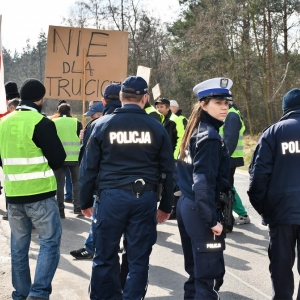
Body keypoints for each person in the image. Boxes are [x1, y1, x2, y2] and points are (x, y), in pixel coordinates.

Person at [79, 76, 174, 299]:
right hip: (145, 198)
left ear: (121, 97)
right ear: (145, 98)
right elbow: (169, 171)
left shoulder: (102, 125)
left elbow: (88, 168)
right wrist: (166, 205)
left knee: (105, 256)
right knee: (138, 259)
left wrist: (84, 201)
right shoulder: (156, 127)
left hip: (111, 198)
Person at [0, 78, 66, 300]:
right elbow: (58, 160)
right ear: (41, 98)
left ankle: (21, 294)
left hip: (14, 196)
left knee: (19, 248)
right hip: (41, 196)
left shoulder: (3, 123)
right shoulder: (41, 122)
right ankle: (37, 295)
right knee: (49, 242)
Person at [176, 77, 233, 299]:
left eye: (226, 103)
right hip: (200, 211)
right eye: (218, 102)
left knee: (196, 273)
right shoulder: (209, 137)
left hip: (187, 206)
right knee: (207, 278)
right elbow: (202, 182)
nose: (224, 107)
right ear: (203, 104)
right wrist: (212, 221)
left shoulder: (196, 130)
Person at [248, 88, 300, 300]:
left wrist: (266, 210)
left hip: (281, 213)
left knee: (280, 268)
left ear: (285, 109)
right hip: (282, 211)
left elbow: (258, 178)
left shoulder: (273, 132)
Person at [70, 83, 121, 259]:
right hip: (138, 192)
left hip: (105, 188)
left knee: (100, 226)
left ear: (103, 103)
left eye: (92, 114)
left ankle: (93, 248)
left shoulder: (97, 125)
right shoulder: (147, 124)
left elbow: (87, 164)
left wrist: (84, 200)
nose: (91, 117)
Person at [219, 103, 250, 232]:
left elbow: (230, 140)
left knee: (227, 188)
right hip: (230, 157)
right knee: (228, 187)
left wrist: (223, 158)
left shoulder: (231, 115)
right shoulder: (231, 112)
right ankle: (233, 217)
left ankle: (228, 221)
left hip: (229, 158)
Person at [53, 103, 83, 217]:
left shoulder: (53, 123)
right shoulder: (77, 122)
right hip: (74, 157)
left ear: (58, 112)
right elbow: (81, 139)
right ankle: (78, 207)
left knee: (59, 184)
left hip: (59, 158)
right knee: (76, 182)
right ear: (70, 112)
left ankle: (60, 209)